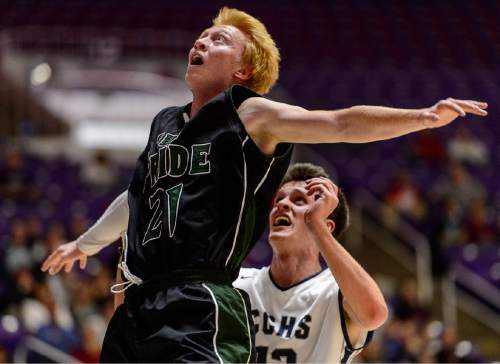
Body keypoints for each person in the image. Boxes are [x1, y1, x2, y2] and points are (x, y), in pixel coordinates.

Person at [41, 7, 487, 363]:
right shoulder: (164, 124)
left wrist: (422, 117)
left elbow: (340, 124)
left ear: (243, 70)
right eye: (202, 35)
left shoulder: (250, 113)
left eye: (219, 40)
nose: (201, 41)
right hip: (137, 307)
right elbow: (136, 199)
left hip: (197, 298)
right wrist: (85, 244)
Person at [233, 163, 387, 363]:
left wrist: (315, 223)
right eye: (279, 199)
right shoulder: (238, 282)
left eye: (298, 200)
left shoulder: (336, 292)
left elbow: (374, 314)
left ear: (326, 226)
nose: (282, 204)